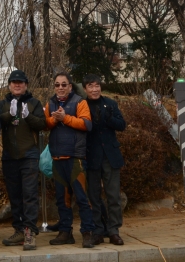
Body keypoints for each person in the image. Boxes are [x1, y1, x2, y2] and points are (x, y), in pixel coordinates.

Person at [45, 71, 96, 248]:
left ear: (70, 86)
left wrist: (65, 118)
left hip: (76, 158)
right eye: (57, 84)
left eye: (64, 84)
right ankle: (65, 232)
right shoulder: (50, 103)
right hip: (57, 157)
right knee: (62, 199)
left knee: (82, 198)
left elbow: (86, 124)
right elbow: (46, 124)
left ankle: (88, 232)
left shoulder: (80, 102)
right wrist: (54, 118)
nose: (60, 87)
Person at [0, 69, 46, 250]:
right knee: (15, 196)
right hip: (10, 156)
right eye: (14, 82)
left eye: (21, 82)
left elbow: (42, 124)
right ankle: (18, 230)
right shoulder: (3, 104)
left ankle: (29, 232)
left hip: (29, 155)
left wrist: (28, 116)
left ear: (26, 85)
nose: (17, 85)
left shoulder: (34, 103)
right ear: (9, 85)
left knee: (30, 194)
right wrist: (9, 114)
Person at [82, 74, 126, 246]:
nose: (95, 89)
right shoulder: (82, 105)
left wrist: (109, 118)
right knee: (93, 196)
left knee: (113, 195)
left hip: (110, 156)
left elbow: (122, 125)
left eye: (97, 85)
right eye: (91, 86)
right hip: (91, 156)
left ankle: (114, 230)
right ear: (85, 89)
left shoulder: (110, 103)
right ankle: (98, 230)